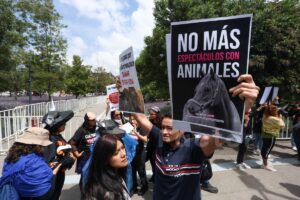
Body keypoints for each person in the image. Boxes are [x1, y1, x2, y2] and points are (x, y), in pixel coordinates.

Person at [133, 74, 259, 200]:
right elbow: (139, 117)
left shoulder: (194, 148)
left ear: (183, 129)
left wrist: (245, 105)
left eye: (170, 128)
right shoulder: (159, 137)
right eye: (163, 127)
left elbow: (222, 134)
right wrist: (128, 89)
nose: (164, 132)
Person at [0, 127, 61, 199]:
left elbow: (23, 171)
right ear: (38, 146)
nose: (44, 148)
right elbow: (45, 192)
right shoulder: (35, 162)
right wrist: (54, 173)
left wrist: (47, 166)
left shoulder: (12, 157)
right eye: (43, 146)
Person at [83, 134, 131, 200]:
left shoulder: (117, 176)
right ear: (105, 159)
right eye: (116, 153)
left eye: (123, 148)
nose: (123, 154)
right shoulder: (106, 193)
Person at [42, 110, 76, 200]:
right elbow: (52, 162)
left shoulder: (57, 136)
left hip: (60, 174)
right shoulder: (51, 140)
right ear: (56, 126)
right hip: (54, 177)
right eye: (63, 123)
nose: (65, 125)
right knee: (53, 196)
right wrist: (70, 159)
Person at [68, 112, 98, 197]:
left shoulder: (96, 128)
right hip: (85, 158)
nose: (94, 121)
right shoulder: (81, 130)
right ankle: (84, 196)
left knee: (94, 177)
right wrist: (76, 153)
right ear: (87, 121)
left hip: (95, 157)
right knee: (84, 177)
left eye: (94, 120)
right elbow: (71, 142)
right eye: (92, 120)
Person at [261, 103, 285, 171]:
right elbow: (282, 125)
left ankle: (264, 163)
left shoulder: (265, 116)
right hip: (271, 135)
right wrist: (279, 116)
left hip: (265, 134)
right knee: (267, 150)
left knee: (265, 148)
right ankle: (266, 165)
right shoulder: (274, 118)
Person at [129, 115, 148, 195]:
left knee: (141, 171)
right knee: (132, 171)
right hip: (131, 153)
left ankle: (144, 186)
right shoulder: (128, 127)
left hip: (140, 153)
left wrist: (136, 133)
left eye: (134, 119)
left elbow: (145, 139)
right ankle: (134, 187)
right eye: (131, 119)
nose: (133, 121)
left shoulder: (142, 128)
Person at [146, 106, 162, 182]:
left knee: (157, 161)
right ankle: (154, 175)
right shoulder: (150, 122)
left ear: (157, 114)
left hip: (158, 144)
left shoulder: (161, 123)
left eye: (152, 114)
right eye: (150, 114)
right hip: (151, 144)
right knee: (152, 161)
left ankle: (157, 177)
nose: (150, 115)